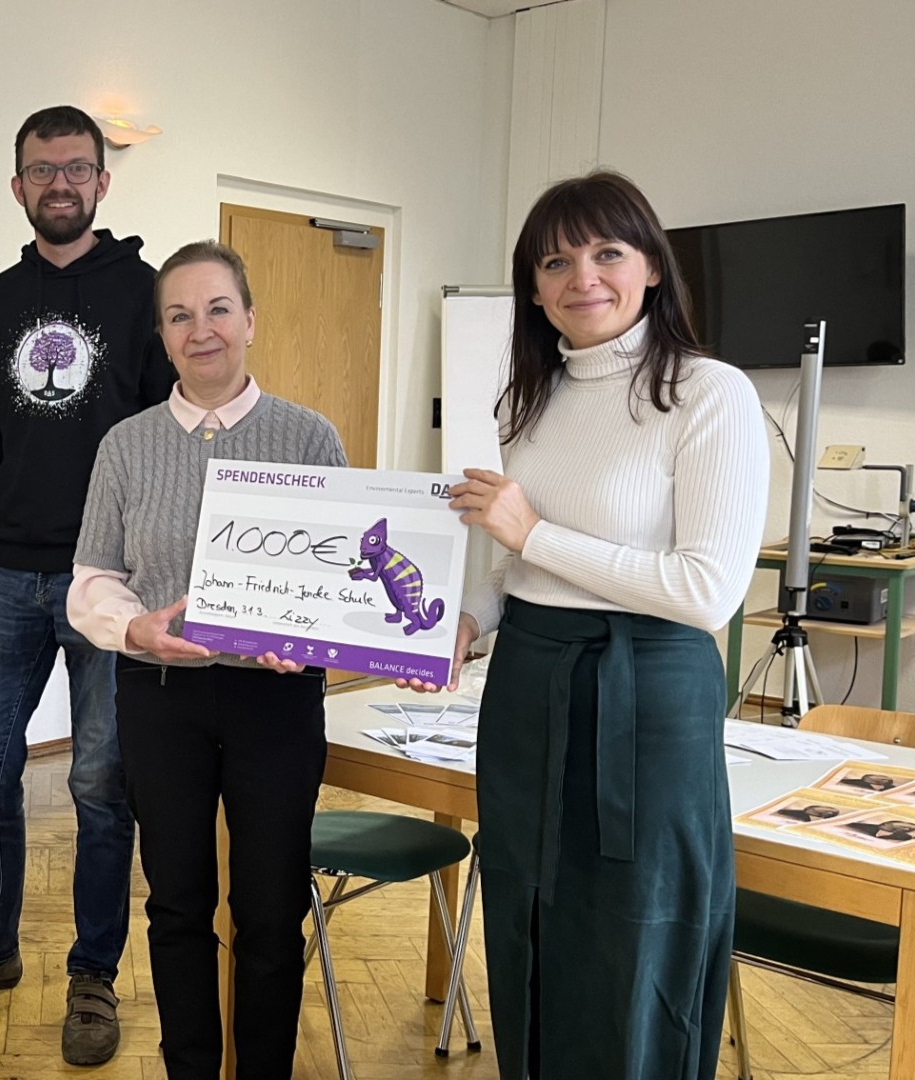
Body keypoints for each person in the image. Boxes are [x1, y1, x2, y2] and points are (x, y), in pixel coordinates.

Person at [409, 171, 769, 1078]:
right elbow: (512, 563)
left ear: (650, 266)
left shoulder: (708, 394)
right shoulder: (525, 400)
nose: (584, 277)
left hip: (647, 691)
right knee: (528, 915)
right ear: (531, 288)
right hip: (527, 680)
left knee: (635, 932)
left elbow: (706, 591)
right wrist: (467, 623)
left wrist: (536, 532)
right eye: (555, 260)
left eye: (608, 252)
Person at [0, 105, 173, 1068]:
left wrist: (153, 578)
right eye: (41, 170)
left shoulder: (145, 292)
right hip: (5, 576)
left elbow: (165, 446)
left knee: (99, 782)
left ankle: (92, 973)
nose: (60, 183)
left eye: (77, 168)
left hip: (108, 580)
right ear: (17, 187)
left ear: (102, 181)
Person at [69, 240, 347, 1080]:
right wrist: (135, 630)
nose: (201, 331)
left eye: (217, 309)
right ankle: (189, 1067)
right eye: (179, 316)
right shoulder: (125, 444)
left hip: (275, 703)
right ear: (160, 334)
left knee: (269, 910)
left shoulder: (308, 437)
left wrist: (314, 635)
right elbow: (91, 581)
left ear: (250, 321)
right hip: (161, 696)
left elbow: (340, 580)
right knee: (177, 903)